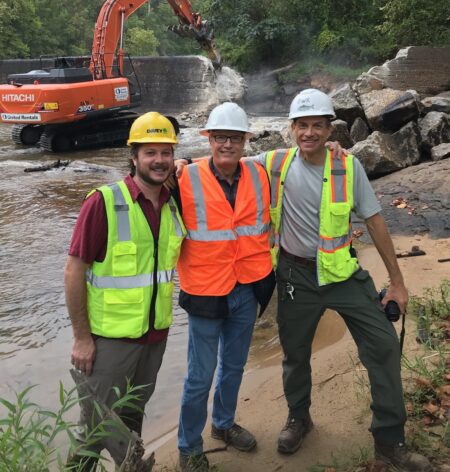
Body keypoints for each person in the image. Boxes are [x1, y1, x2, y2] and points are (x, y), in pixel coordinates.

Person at [251, 88, 432, 471]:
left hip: (343, 275)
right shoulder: (274, 163)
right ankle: (299, 418)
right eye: (303, 125)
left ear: (331, 129)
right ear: (291, 128)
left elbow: (375, 220)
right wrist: (182, 167)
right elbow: (227, 162)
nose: (310, 133)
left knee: (383, 345)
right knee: (295, 353)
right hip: (295, 276)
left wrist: (397, 282)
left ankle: (389, 439)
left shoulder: (347, 167)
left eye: (318, 125)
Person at [64, 112, 186, 471]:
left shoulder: (172, 203)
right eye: (150, 152)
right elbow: (74, 271)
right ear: (133, 155)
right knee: (94, 429)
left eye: (166, 152)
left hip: (154, 338)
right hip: (109, 342)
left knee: (132, 421)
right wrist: (82, 338)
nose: (159, 160)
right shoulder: (103, 202)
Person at [175, 102, 275, 472]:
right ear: (209, 140)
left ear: (246, 141)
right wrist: (176, 161)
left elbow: (300, 154)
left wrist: (333, 147)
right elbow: (144, 180)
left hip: (247, 288)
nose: (227, 145)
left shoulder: (260, 174)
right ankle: (188, 446)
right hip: (204, 291)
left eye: (234, 138)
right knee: (199, 376)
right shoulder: (184, 177)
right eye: (220, 138)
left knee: (233, 367)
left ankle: (223, 424)